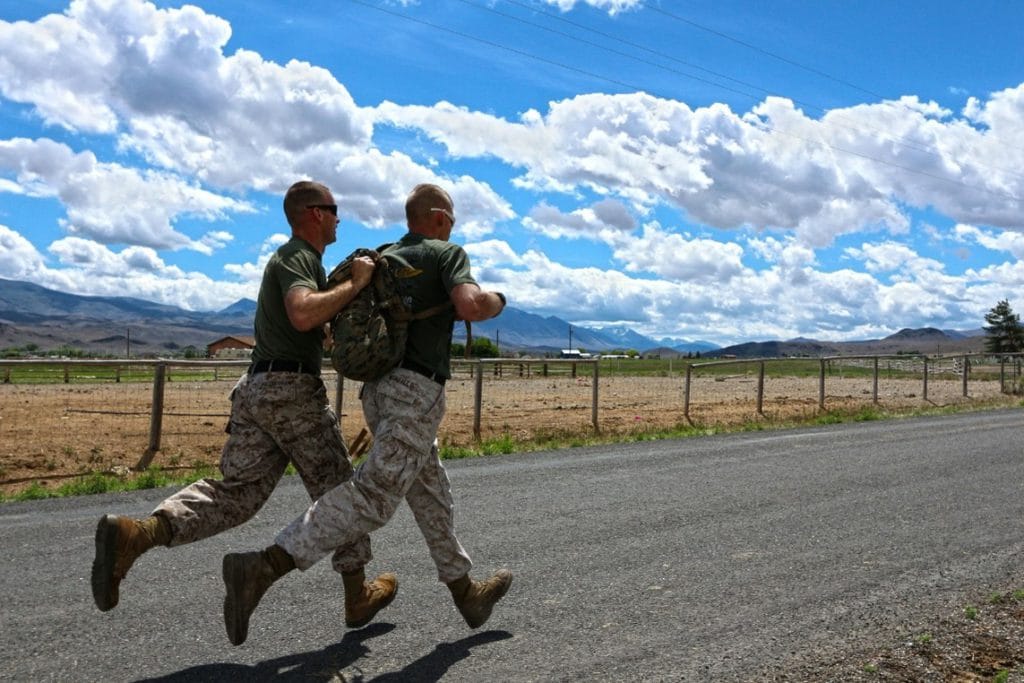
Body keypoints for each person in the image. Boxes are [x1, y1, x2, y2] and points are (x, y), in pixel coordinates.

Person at [92, 180, 398, 630]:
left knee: (237, 493)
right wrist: (355, 284)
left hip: (258, 390)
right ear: (314, 214)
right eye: (334, 210)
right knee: (340, 491)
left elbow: (304, 323)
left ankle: (138, 535)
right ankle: (357, 596)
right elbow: (301, 311)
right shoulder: (298, 257)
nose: (338, 218)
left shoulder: (299, 262)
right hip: (289, 391)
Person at [219, 183, 512, 646]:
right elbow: (470, 305)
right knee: (373, 496)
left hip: (379, 393)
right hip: (414, 393)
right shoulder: (446, 253)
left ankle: (465, 591)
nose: (454, 225)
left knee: (431, 487)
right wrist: (497, 298)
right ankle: (264, 564)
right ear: (437, 216)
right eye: (451, 217)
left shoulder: (384, 257)